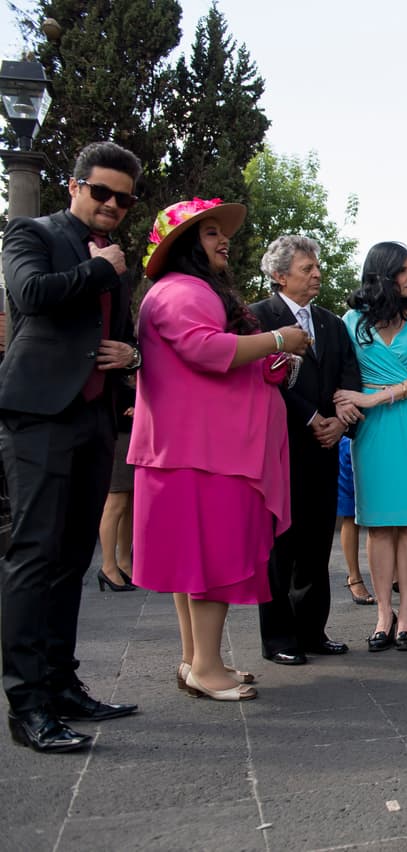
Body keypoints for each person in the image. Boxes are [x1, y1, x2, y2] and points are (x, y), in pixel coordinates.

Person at [131, 197, 310, 702]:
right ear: (186, 245)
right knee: (209, 562)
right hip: (204, 453)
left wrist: (267, 357)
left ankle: (197, 660)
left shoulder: (173, 291)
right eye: (209, 233)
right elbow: (207, 350)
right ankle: (205, 666)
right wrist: (278, 340)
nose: (222, 239)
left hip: (192, 450)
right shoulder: (184, 291)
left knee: (194, 564)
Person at [1, 141, 146, 751]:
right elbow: (30, 296)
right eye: (102, 191)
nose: (112, 204)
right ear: (75, 185)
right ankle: (27, 705)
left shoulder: (117, 260)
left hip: (94, 417)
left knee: (71, 560)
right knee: (35, 557)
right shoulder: (29, 233)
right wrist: (101, 268)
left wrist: (130, 355)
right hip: (39, 415)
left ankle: (62, 686)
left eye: (123, 198)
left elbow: (118, 336)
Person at [251, 235, 363, 665]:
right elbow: (262, 379)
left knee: (318, 541)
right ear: (279, 276)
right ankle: (279, 637)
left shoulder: (332, 323)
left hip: (326, 447)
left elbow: (350, 377)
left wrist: (341, 419)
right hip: (280, 446)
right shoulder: (259, 319)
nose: (317, 272)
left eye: (317, 265)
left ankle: (312, 629)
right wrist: (309, 417)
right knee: (280, 545)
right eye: (306, 267)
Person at [337, 243, 407, 652]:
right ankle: (383, 615)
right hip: (371, 432)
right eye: (401, 270)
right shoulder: (352, 320)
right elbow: (343, 374)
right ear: (380, 276)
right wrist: (348, 401)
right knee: (378, 524)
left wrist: (372, 397)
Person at [96, 375, 137, 591]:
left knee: (128, 502)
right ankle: (108, 566)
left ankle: (123, 562)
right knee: (116, 501)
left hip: (132, 430)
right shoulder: (114, 347)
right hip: (118, 431)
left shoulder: (133, 347)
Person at [336, 436, 375, 605]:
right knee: (351, 513)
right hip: (349, 436)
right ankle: (354, 577)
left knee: (384, 511)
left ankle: (393, 573)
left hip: (378, 436)